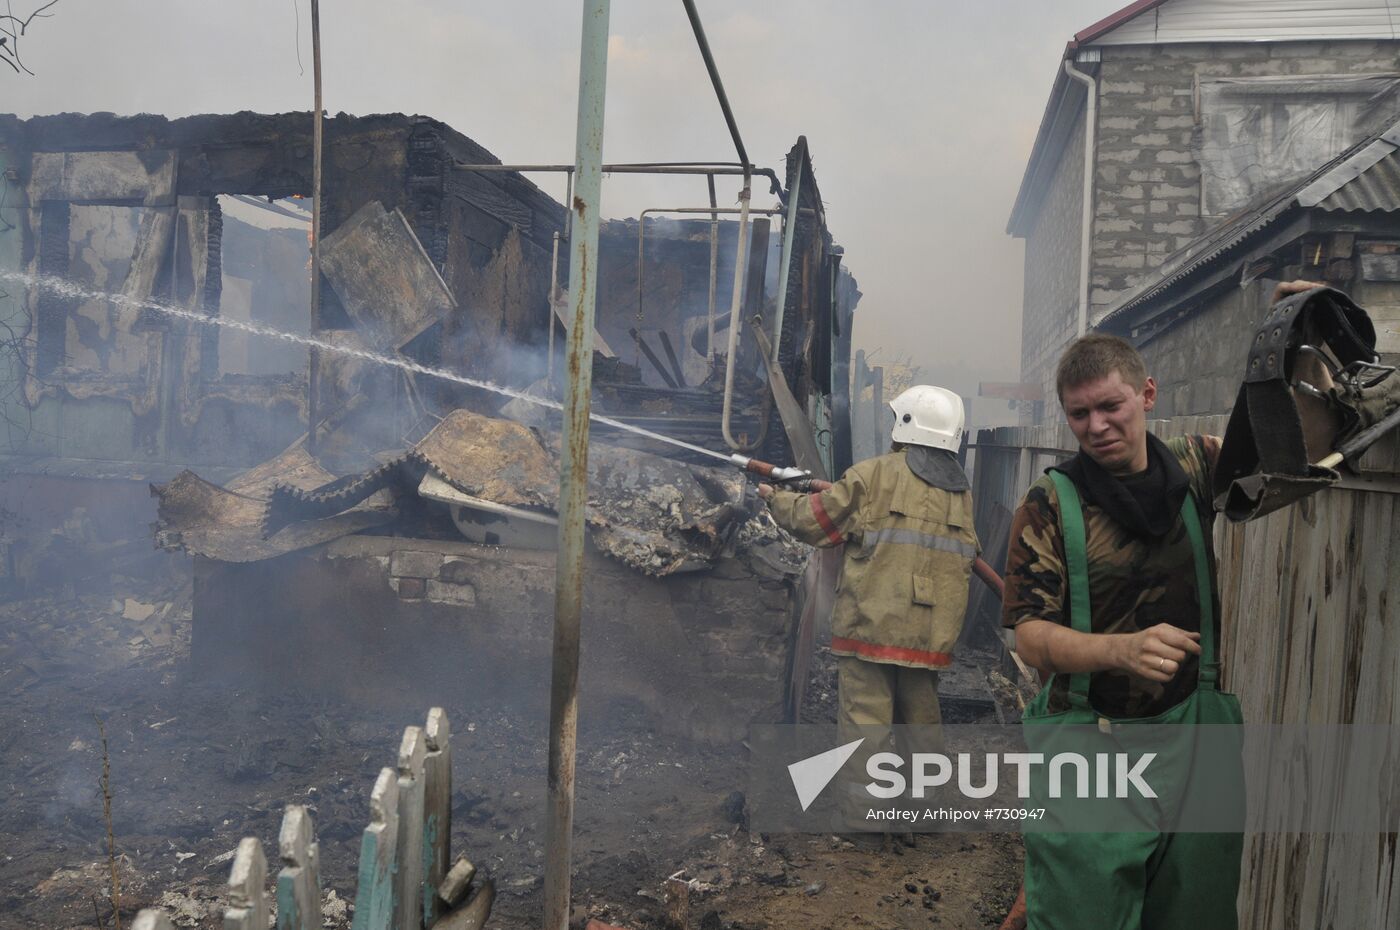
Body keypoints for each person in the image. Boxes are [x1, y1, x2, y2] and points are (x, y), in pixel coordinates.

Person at [1002, 332, 1239, 929]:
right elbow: (1028, 636)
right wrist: (1120, 650)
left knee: (1195, 914)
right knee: (1082, 915)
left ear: (1147, 394)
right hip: (1090, 743)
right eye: (1080, 413)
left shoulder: (1198, 466)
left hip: (1195, 737)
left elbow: (1296, 451)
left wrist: (1298, 337)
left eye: (1112, 406)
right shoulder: (1050, 503)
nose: (1097, 425)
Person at [759, 385, 978, 834]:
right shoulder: (960, 495)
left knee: (866, 726)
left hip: (871, 632)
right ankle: (925, 813)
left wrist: (774, 498)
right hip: (928, 640)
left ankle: (865, 822)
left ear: (906, 425)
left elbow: (815, 522)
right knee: (921, 726)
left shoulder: (872, 476)